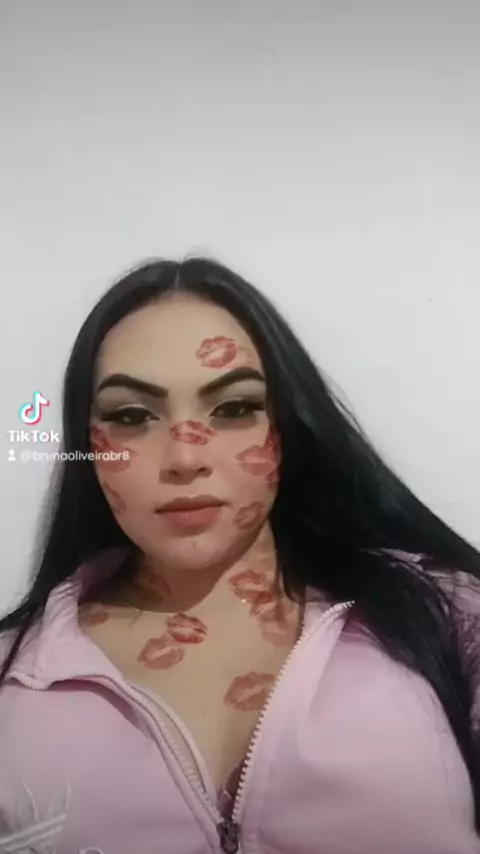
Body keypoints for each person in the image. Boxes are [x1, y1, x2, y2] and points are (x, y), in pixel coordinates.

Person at [0, 257, 479, 854]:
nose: (185, 458)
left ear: (286, 425)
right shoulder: (15, 678)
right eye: (131, 416)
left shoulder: (449, 615)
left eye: (232, 409)